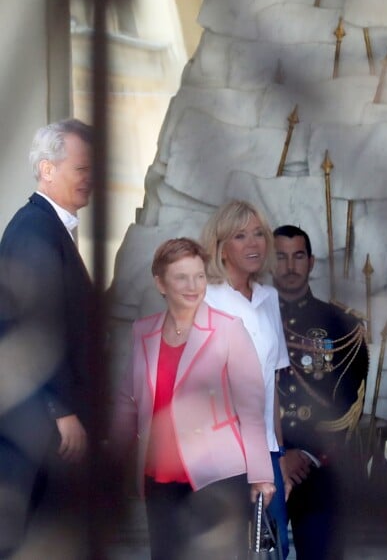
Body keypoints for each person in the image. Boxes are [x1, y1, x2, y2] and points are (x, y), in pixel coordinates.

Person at [112, 238, 275, 560]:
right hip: (158, 475)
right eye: (181, 277)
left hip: (218, 475)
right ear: (160, 283)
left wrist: (260, 475)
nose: (193, 286)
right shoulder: (143, 331)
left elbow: (252, 409)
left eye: (199, 276)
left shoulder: (229, 329)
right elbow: (126, 402)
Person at [0, 118, 93, 556]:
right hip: (40, 425)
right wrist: (61, 409)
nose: (89, 179)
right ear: (47, 169)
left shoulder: (50, 227)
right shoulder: (34, 229)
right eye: (81, 168)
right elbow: (30, 327)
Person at [272, 225, 369, 560]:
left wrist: (306, 454)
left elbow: (349, 402)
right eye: (280, 257)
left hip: (320, 471)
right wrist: (278, 455)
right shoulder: (248, 320)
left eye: (298, 256)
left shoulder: (341, 325)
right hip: (265, 471)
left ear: (311, 262)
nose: (289, 266)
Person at [200, 201, 291, 558]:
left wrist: (279, 454)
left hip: (267, 450)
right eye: (240, 236)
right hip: (222, 452)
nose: (253, 244)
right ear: (221, 248)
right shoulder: (206, 300)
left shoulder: (269, 299)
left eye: (258, 234)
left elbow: (273, 386)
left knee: (274, 548)